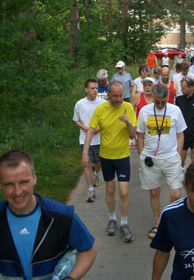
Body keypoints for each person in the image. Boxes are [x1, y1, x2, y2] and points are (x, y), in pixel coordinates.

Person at [0, 150, 96, 280]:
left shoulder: (62, 216)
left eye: (23, 182)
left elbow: (89, 250)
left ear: (34, 178)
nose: (17, 192)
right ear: (0, 184)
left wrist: (71, 278)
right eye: (9, 184)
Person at [82, 81, 137, 243]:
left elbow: (133, 135)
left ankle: (124, 222)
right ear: (108, 95)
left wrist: (127, 122)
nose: (119, 99)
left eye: (120, 95)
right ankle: (112, 218)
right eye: (115, 96)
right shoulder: (101, 109)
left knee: (124, 191)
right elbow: (91, 131)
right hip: (106, 156)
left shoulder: (128, 107)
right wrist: (85, 153)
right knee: (110, 188)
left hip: (122, 156)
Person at [137, 83, 186, 239]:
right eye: (157, 102)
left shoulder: (175, 110)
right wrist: (141, 154)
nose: (159, 105)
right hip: (151, 159)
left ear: (167, 99)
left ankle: (169, 221)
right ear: (153, 97)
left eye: (163, 102)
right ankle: (159, 224)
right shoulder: (144, 111)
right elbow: (140, 135)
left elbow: (180, 135)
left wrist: (178, 155)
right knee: (154, 192)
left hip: (171, 158)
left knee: (176, 193)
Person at [73, 79, 105, 202]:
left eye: (96, 88)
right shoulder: (80, 104)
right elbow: (76, 119)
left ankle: (97, 174)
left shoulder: (102, 103)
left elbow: (106, 120)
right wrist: (84, 128)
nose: (95, 90)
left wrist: (99, 128)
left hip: (99, 139)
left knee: (98, 162)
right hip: (84, 139)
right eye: (92, 88)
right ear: (86, 89)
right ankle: (90, 190)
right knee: (87, 164)